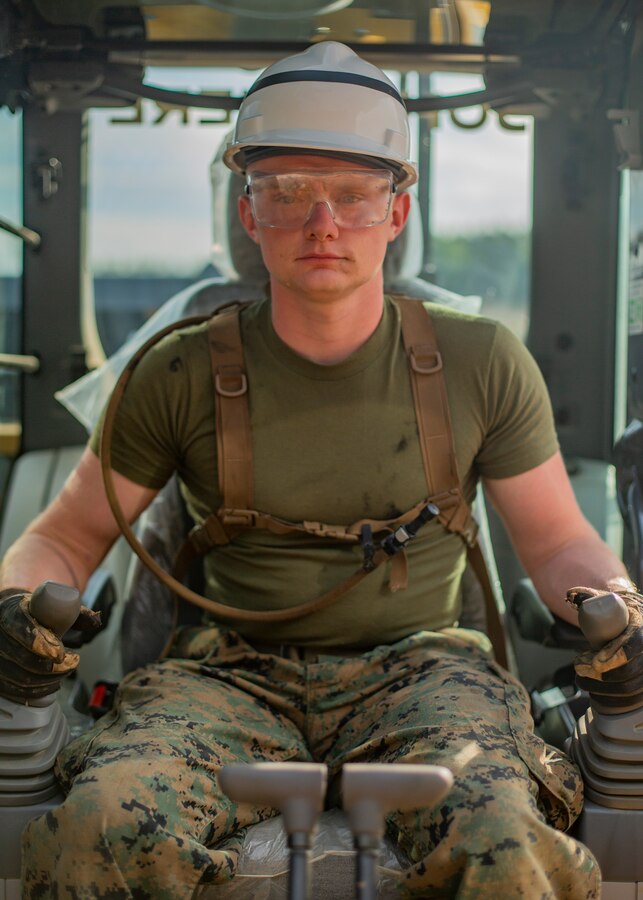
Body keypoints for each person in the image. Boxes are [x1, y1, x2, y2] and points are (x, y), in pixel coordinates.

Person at [1, 40, 641, 900]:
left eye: (353, 193)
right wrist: (16, 605)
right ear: (248, 211)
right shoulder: (175, 370)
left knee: (505, 834)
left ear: (397, 210)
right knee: (99, 825)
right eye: (287, 191)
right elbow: (65, 538)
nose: (322, 222)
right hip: (226, 675)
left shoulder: (482, 361)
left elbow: (559, 542)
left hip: (425, 672)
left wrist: (622, 612)